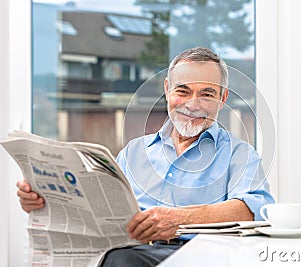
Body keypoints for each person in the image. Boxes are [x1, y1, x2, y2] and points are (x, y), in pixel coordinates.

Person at [16, 47, 275, 266]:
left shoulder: (239, 154)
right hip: (130, 251)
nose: (193, 104)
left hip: (200, 256)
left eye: (207, 94)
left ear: (223, 99)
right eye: (183, 91)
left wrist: (179, 220)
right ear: (167, 90)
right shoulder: (133, 153)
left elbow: (254, 210)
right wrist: (44, 199)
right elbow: (99, 206)